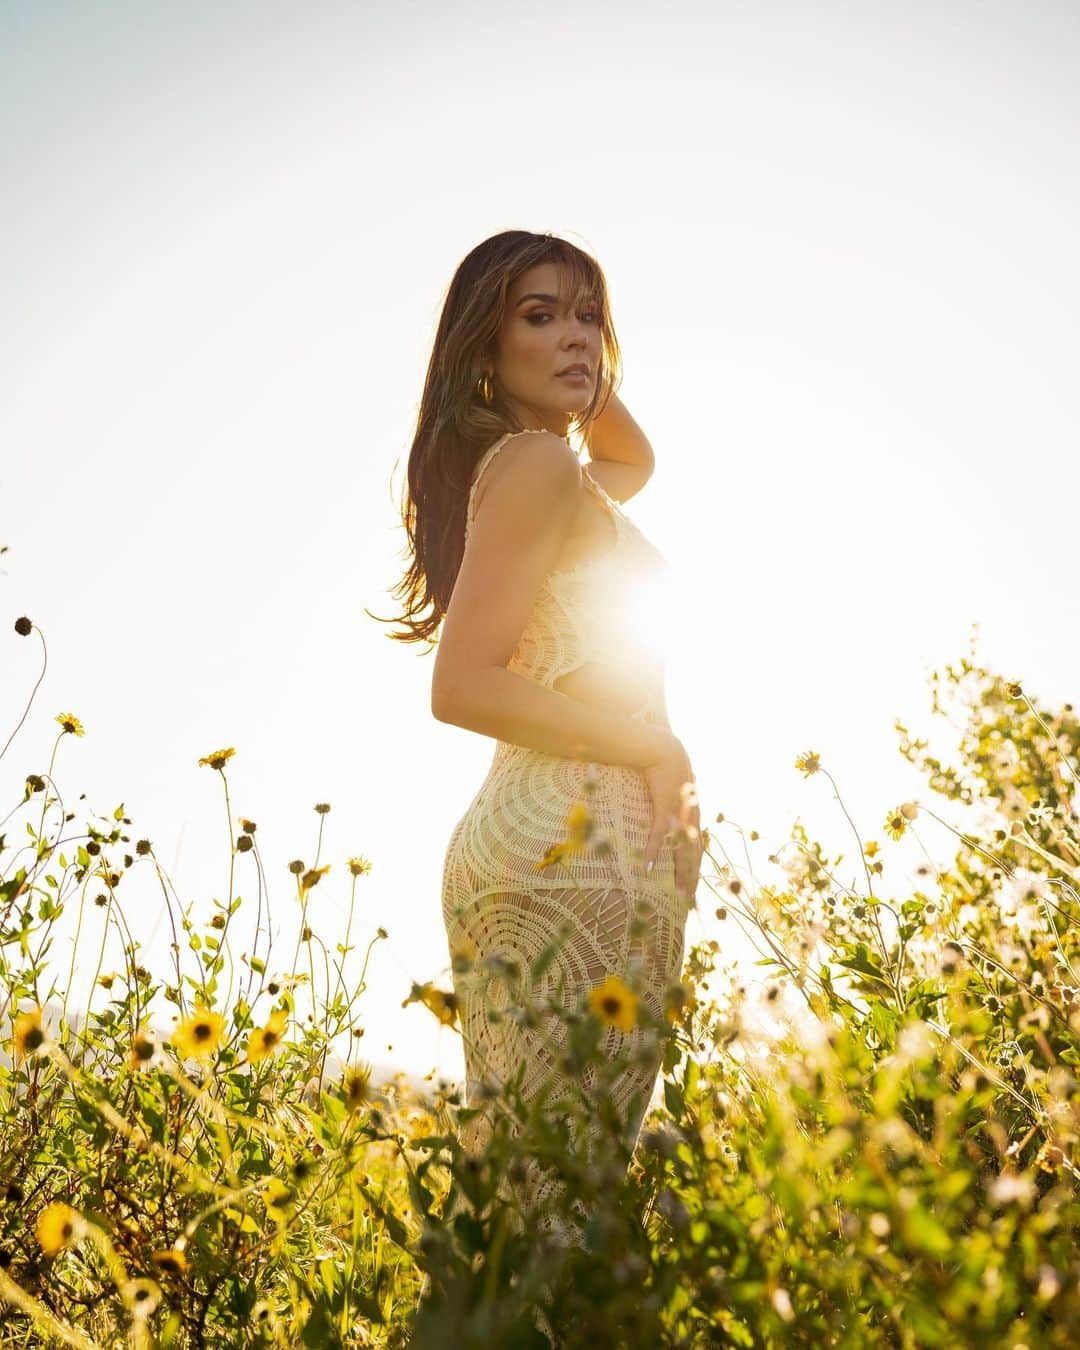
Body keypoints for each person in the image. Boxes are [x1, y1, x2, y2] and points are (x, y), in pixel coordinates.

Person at [377, 229, 702, 1250]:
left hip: (548, 829)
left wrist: (572, 369)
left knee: (539, 1189)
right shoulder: (532, 469)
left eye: (588, 315)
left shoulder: (549, 469)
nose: (574, 336)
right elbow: (463, 684)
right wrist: (651, 748)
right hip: (571, 837)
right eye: (538, 315)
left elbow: (632, 456)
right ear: (485, 347)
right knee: (564, 1201)